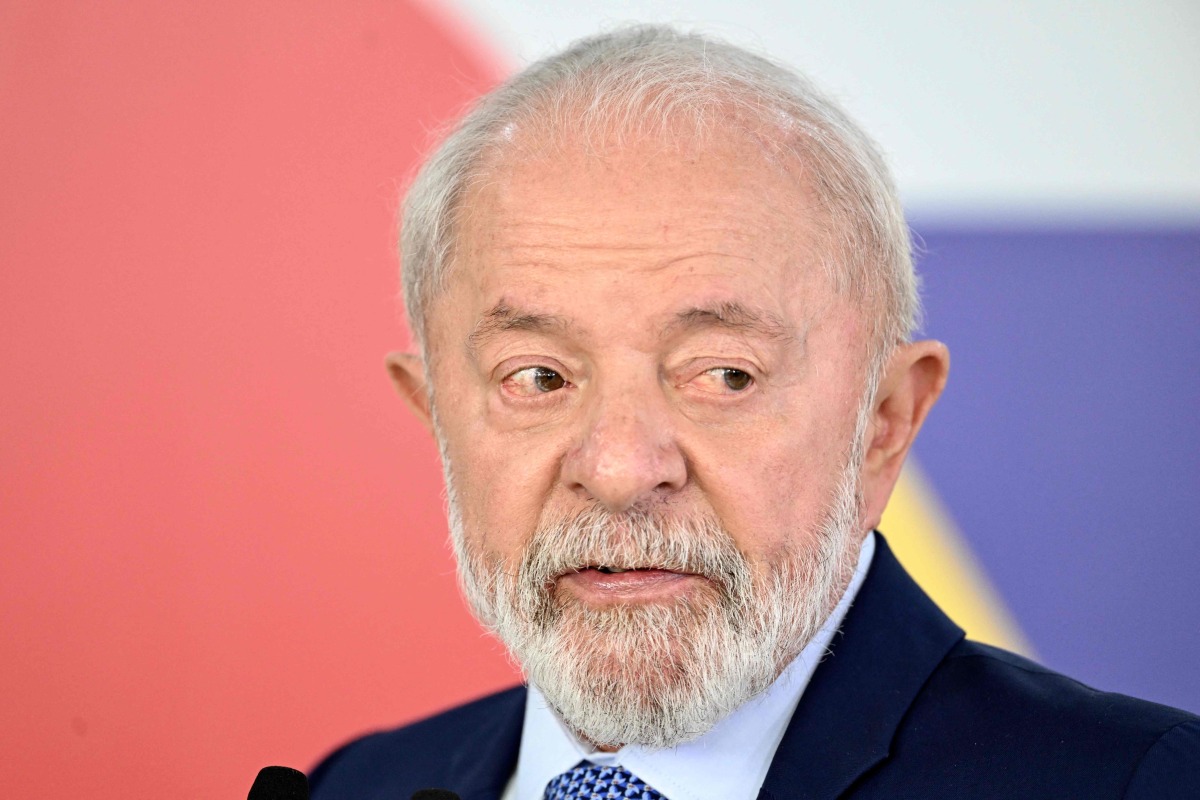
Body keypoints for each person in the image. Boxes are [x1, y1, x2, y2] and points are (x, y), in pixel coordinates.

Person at [309, 25, 1199, 800]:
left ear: (884, 419)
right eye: (539, 379)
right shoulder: (355, 787)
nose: (621, 469)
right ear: (436, 417)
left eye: (725, 376)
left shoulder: (1140, 785)